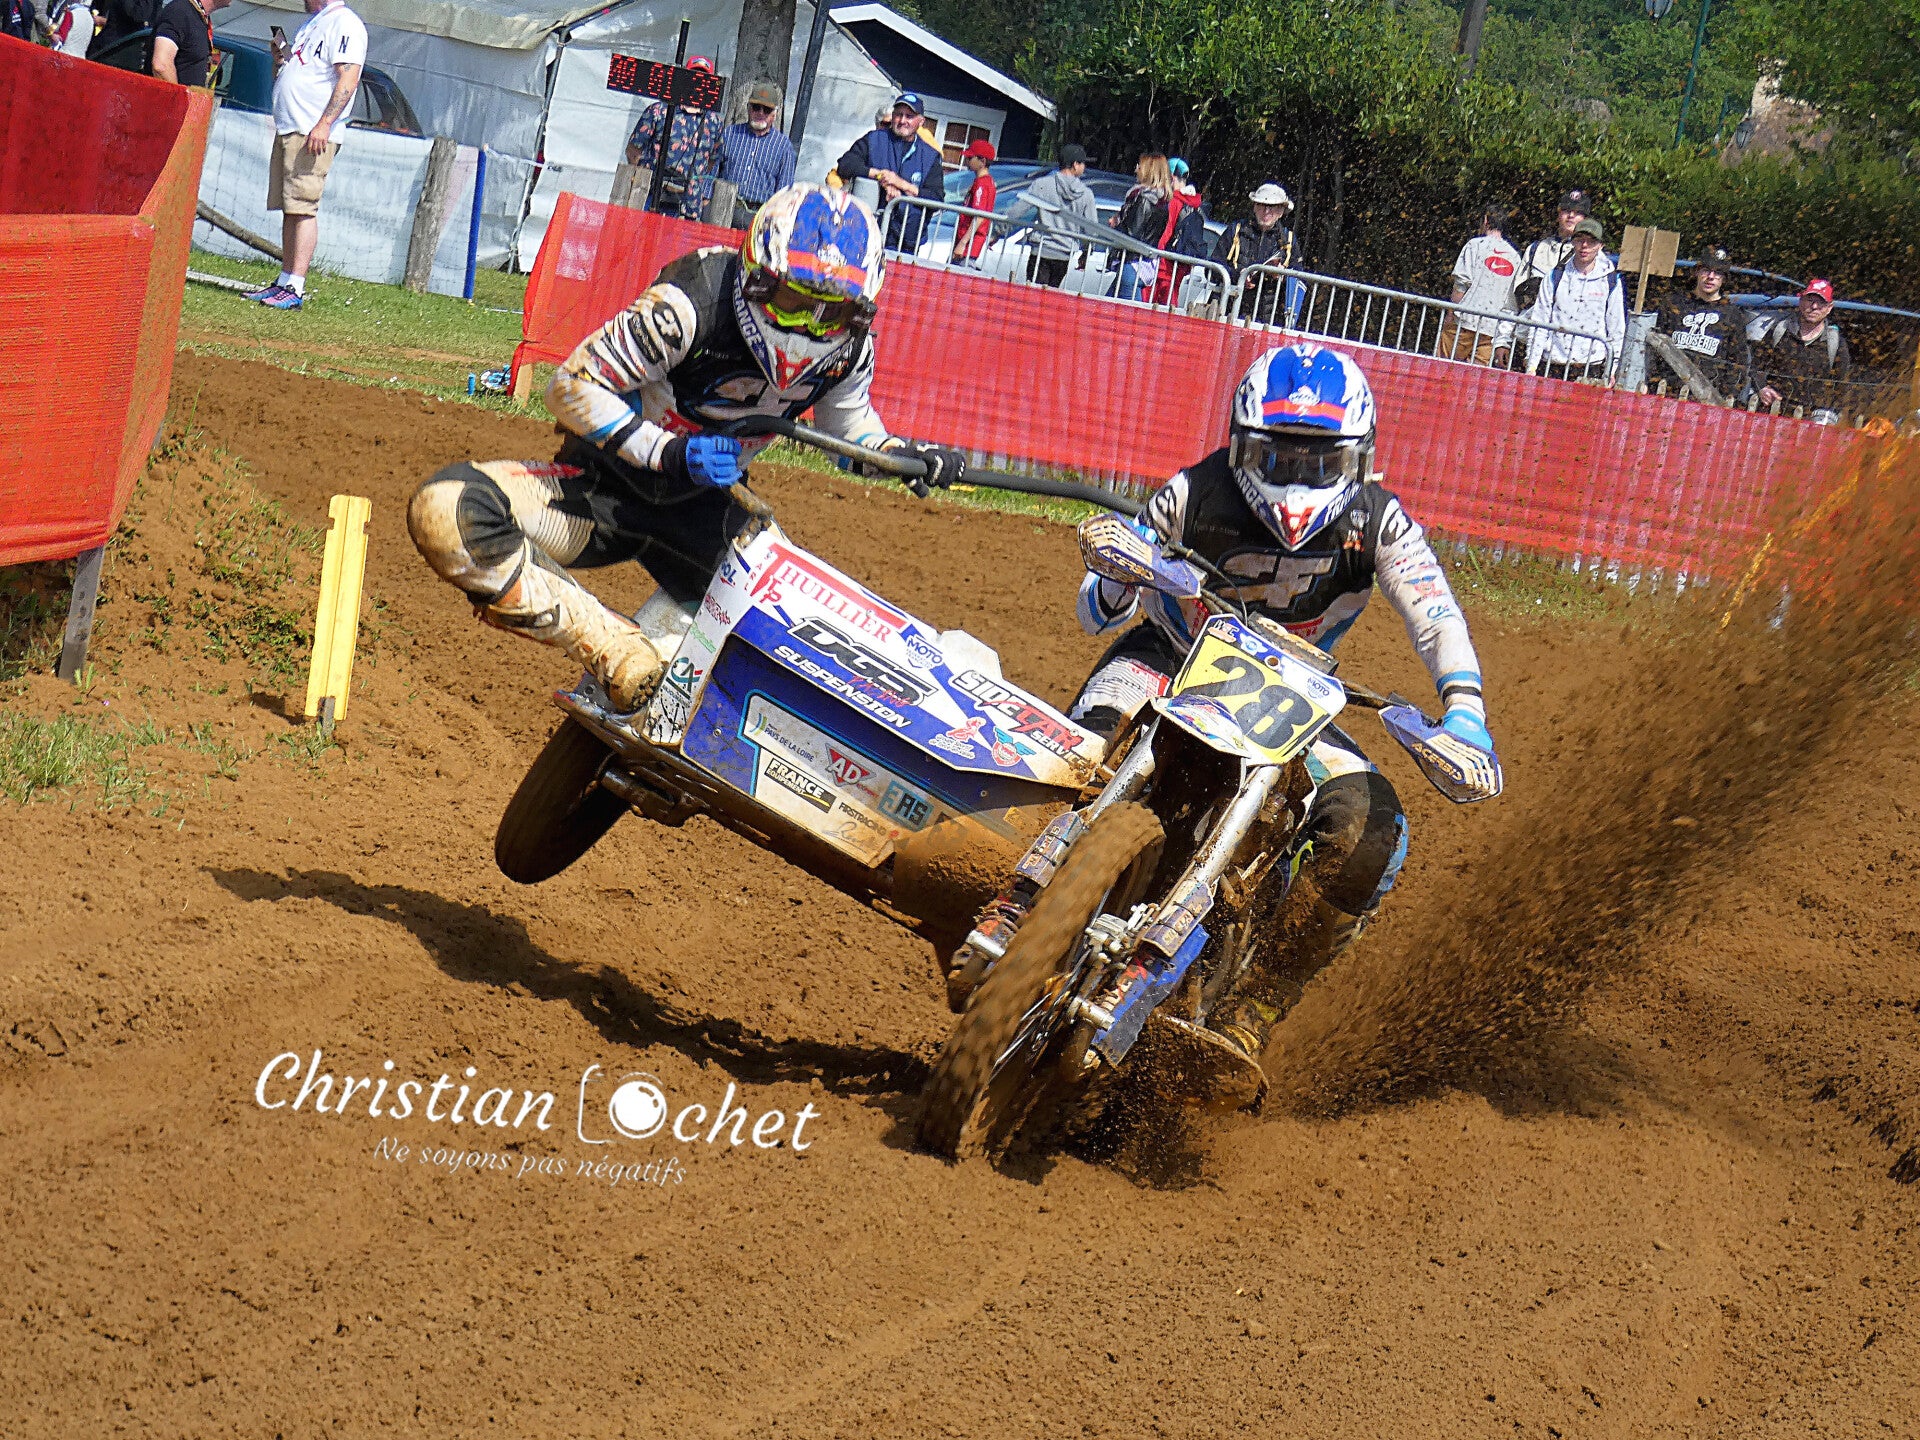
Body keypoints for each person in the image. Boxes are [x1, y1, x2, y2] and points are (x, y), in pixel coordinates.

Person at [1065, 342, 1496, 1063]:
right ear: (1242, 446)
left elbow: (1435, 615)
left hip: (1290, 694)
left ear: (1357, 458)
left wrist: (1465, 715)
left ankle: (1251, 1008)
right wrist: (1119, 574)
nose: (1297, 479)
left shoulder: (1378, 520)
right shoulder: (1194, 491)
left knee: (1371, 828)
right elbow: (1094, 612)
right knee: (1080, 752)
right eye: (1278, 458)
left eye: (1319, 463)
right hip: (1171, 658)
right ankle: (1022, 888)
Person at [406, 183, 970, 714]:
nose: (809, 327)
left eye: (834, 312)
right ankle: (609, 644)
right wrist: (669, 452)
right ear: (757, 278)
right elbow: (572, 385)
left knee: (789, 642)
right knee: (446, 509)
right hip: (602, 489)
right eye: (794, 300)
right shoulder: (689, 302)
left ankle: (660, 698)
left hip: (710, 513)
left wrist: (906, 456)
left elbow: (849, 431)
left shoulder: (850, 350)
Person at [242, 0, 365, 312]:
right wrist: (279, 61)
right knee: (290, 207)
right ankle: (284, 279)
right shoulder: (312, 24)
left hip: (312, 131)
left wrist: (324, 124)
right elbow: (295, 72)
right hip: (292, 127)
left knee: (303, 206)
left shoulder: (345, 23)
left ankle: (295, 284)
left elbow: (348, 78)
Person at [834, 92, 943, 255]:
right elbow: (846, 165)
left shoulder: (930, 156)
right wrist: (881, 176)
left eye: (909, 116)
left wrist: (902, 185)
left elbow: (936, 198)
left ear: (921, 121)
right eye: (899, 114)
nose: (902, 120)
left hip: (905, 242)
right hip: (865, 233)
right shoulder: (874, 139)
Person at [1523, 216, 1626, 382]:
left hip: (1591, 366)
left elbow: (1616, 327)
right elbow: (1539, 321)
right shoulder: (1554, 276)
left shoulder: (1611, 280)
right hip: (1552, 364)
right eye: (1580, 240)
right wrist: (1531, 365)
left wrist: (1612, 369)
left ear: (1600, 245)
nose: (1584, 246)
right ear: (1572, 242)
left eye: (1591, 242)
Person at [625, 55, 726, 221]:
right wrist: (642, 178)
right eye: (693, 76)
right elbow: (633, 150)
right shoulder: (659, 111)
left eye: (704, 78)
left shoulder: (715, 122)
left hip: (688, 206)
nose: (697, 82)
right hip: (650, 197)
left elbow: (712, 162)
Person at [1649, 244, 1753, 401]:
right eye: (1706, 270)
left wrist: (1725, 397)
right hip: (1667, 392)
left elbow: (1738, 363)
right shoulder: (1674, 304)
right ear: (1697, 272)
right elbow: (1654, 350)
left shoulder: (1732, 315)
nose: (1710, 276)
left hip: (1708, 398)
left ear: (1724, 278)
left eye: (1718, 273)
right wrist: (1653, 383)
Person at [1756, 279, 1852, 423]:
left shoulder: (1836, 343)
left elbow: (1842, 386)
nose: (1814, 307)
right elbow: (1755, 365)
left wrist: (1829, 415)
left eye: (1821, 302)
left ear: (1829, 308)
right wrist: (1762, 388)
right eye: (1810, 300)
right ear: (1801, 301)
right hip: (1770, 413)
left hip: (1812, 420)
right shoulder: (1780, 330)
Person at [1439, 204, 1522, 367]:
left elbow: (1461, 285)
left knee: (1443, 369)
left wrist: (1450, 315)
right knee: (1475, 378)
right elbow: (1511, 303)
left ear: (1485, 221)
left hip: (1463, 322)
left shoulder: (1475, 245)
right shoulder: (1515, 257)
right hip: (1491, 331)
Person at [1013, 143, 1098, 289]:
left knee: (1033, 295)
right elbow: (1091, 229)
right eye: (1083, 163)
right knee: (1051, 296)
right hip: (1064, 254)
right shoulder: (1086, 194)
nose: (1084, 167)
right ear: (1075, 164)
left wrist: (997, 232)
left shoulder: (1041, 184)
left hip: (1041, 249)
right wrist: (1087, 252)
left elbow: (1017, 211)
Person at [715, 80, 796, 231]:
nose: (760, 113)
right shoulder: (730, 134)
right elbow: (712, 170)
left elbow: (784, 192)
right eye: (756, 107)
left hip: (759, 216)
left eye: (767, 110)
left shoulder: (783, 146)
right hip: (724, 209)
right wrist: (706, 201)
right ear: (748, 108)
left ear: (775, 114)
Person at [1213, 181, 1297, 324]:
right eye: (1262, 205)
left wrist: (1282, 276)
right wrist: (1238, 275)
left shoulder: (1289, 240)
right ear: (1254, 207)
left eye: (1272, 207)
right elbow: (1213, 267)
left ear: (1281, 212)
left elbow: (1299, 281)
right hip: (1228, 312)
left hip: (1266, 319)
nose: (1266, 212)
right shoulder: (1235, 230)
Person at [1513, 188, 1591, 314]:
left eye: (1578, 212)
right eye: (1566, 210)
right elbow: (1514, 297)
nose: (1571, 215)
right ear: (1559, 214)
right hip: (1528, 322)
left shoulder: (1588, 255)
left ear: (1585, 219)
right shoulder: (1536, 249)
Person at [1112, 153, 1174, 302]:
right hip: (1143, 264)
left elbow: (1132, 233)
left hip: (1132, 265)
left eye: (1139, 166)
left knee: (1130, 313)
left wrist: (1116, 224)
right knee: (1106, 308)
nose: (1136, 170)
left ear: (1149, 171)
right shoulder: (1162, 202)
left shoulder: (1143, 199)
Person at [1151, 157, 1206, 305]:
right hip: (1179, 264)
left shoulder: (1172, 202)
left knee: (1152, 308)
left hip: (1163, 265)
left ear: (1171, 177)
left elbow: (1165, 234)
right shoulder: (1195, 205)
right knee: (1170, 304)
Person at [150, 0, 227, 87]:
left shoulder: (199, 16)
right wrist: (178, 95)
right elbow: (161, 65)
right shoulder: (179, 12)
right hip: (172, 95)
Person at [951, 138, 997, 267]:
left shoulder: (982, 183)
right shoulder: (985, 181)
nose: (967, 160)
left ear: (982, 161)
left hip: (969, 247)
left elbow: (979, 215)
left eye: (970, 158)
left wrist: (963, 243)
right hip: (967, 244)